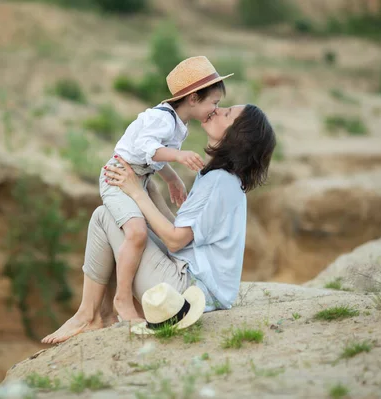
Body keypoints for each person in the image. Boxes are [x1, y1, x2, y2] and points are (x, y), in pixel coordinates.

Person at [42, 104, 276, 345]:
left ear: (238, 137)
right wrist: (148, 186)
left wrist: (136, 193)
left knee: (104, 217)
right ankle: (101, 315)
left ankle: (90, 315)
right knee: (122, 221)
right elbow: (180, 238)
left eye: (227, 114)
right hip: (197, 281)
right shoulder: (222, 178)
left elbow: (174, 240)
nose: (217, 110)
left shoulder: (218, 181)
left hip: (188, 288)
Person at [100, 56, 233, 321]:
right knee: (137, 233)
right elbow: (149, 149)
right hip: (118, 177)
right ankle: (122, 298)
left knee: (148, 232)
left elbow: (153, 158)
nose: (215, 110)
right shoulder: (162, 119)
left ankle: (127, 300)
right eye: (214, 103)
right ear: (193, 98)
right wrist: (178, 158)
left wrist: (172, 178)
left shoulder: (178, 122)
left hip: (140, 177)